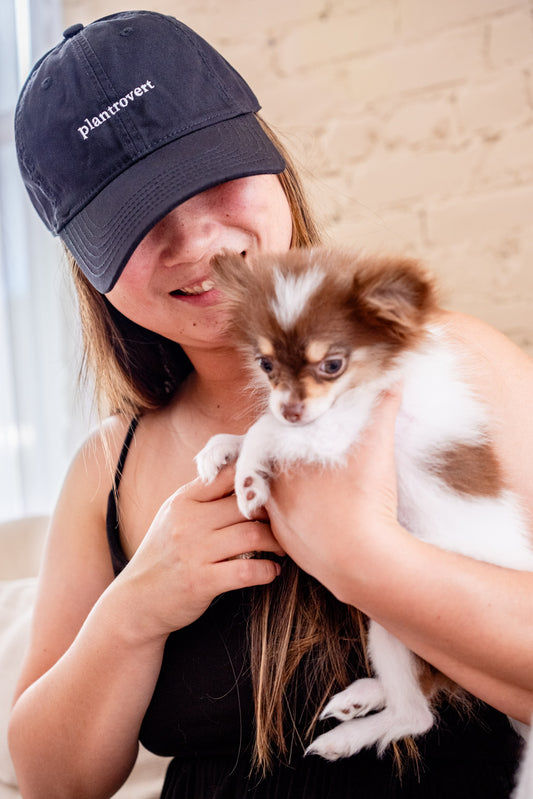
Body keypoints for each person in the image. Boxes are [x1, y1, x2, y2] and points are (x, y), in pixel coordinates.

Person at [8, 9, 530, 798]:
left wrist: (364, 557)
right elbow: (53, 781)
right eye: (137, 219)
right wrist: (134, 609)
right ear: (91, 266)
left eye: (208, 178)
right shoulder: (106, 467)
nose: (197, 244)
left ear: (269, 161)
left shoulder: (444, 361)